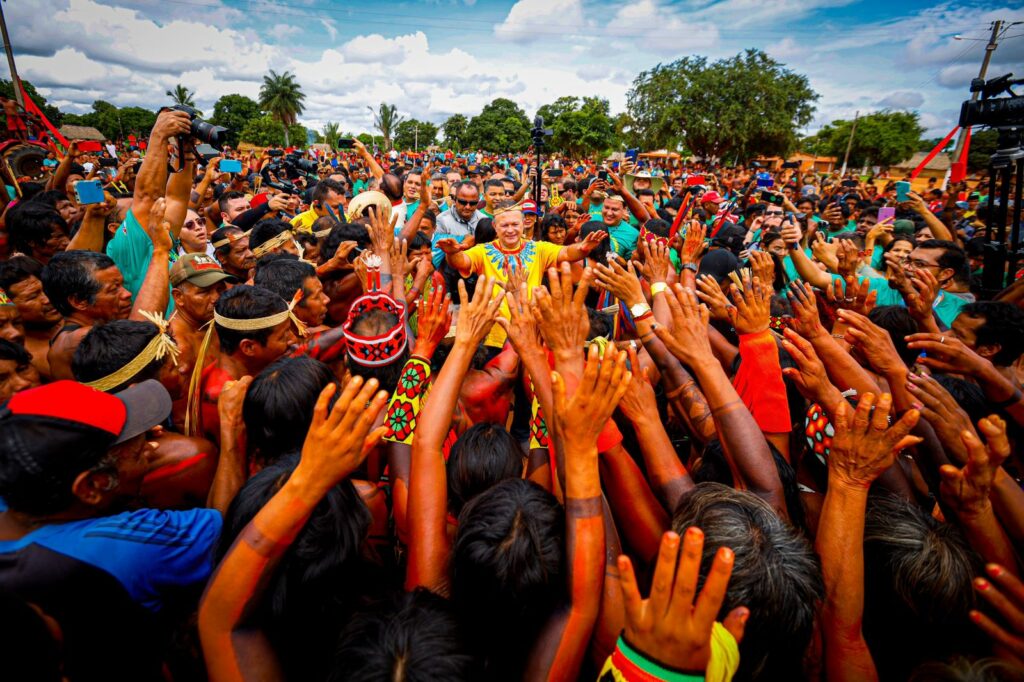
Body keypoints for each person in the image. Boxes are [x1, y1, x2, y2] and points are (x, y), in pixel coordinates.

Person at [0, 380, 221, 681]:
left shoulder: (20, 484)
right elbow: (231, 525)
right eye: (136, 446)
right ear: (92, 486)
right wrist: (233, 439)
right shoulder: (122, 546)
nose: (153, 443)